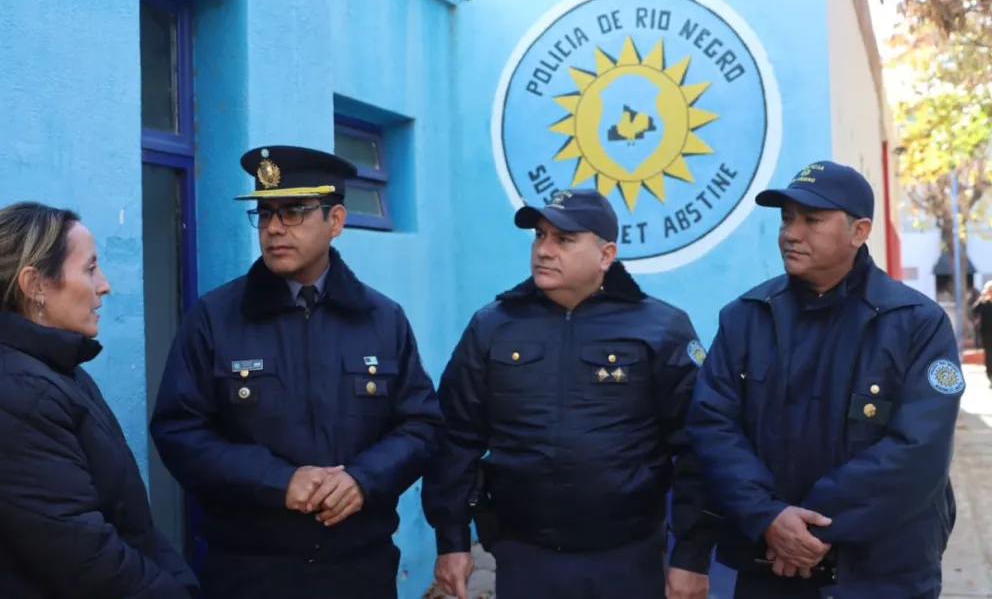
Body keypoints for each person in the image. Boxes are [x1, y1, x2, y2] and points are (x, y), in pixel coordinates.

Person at [149, 146, 443, 599]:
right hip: (249, 572)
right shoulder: (215, 317)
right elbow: (179, 432)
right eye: (265, 214)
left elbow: (421, 424)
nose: (273, 228)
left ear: (337, 220)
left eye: (294, 212)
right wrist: (277, 481)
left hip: (358, 569)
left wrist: (364, 479)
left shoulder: (382, 319)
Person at [422, 189, 718, 599]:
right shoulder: (493, 327)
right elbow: (456, 436)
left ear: (605, 254)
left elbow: (698, 445)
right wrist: (451, 538)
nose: (544, 250)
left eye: (563, 239)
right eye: (539, 236)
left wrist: (691, 555)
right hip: (524, 555)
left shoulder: (661, 328)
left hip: (627, 556)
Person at [686, 161, 961, 598]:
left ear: (859, 231)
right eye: (786, 218)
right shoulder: (745, 318)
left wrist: (805, 527)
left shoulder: (916, 324)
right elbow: (712, 426)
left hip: (880, 574)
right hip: (770, 568)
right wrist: (768, 518)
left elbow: (918, 451)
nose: (791, 233)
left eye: (811, 220)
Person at [0, 202, 198, 598]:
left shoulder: (61, 370)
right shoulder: (21, 391)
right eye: (90, 269)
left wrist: (181, 579)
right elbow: (82, 554)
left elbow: (131, 522)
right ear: (35, 285)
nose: (103, 284)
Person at [971, 280, 992, 382]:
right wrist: (981, 297)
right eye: (990, 290)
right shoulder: (983, 303)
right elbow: (974, 310)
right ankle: (990, 376)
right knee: (989, 356)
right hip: (987, 333)